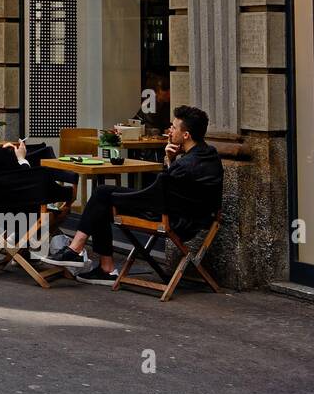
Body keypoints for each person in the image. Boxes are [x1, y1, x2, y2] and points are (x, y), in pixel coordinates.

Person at [42, 105, 223, 285]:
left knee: (102, 195)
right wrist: (171, 160)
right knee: (103, 197)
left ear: (186, 135)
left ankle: (77, 250)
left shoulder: (186, 165)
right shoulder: (210, 155)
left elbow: (159, 193)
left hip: (174, 220)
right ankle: (103, 267)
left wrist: (170, 163)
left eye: (174, 127)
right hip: (194, 217)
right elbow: (174, 190)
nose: (170, 130)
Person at [0, 113, 74, 229]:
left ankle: (17, 238)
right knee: (59, 206)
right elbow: (27, 182)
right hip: (17, 215)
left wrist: (3, 152)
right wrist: (21, 158)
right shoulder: (1, 155)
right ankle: (24, 238)